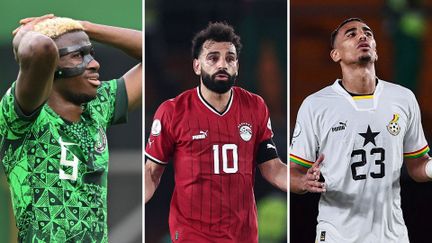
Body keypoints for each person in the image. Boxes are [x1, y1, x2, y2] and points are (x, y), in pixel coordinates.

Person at [0, 14, 142, 242]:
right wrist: (25, 36)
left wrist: (82, 27)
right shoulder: (23, 116)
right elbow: (40, 49)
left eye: (91, 54)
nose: (94, 64)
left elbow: (148, 52)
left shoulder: (97, 106)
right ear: (51, 68)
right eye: (78, 56)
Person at [290, 17, 431, 243]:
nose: (362, 36)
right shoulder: (315, 105)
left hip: (392, 236)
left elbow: (417, 165)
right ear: (335, 54)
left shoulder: (403, 98)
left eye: (368, 33)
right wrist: (302, 183)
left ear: (376, 51)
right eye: (351, 34)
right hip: (337, 235)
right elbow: (293, 172)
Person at [145, 22, 287, 242]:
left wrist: (301, 180)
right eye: (213, 58)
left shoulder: (255, 106)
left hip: (243, 235)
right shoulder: (173, 111)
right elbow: (152, 172)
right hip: (192, 236)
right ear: (197, 66)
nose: (222, 64)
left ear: (237, 66)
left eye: (229, 58)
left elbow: (273, 168)